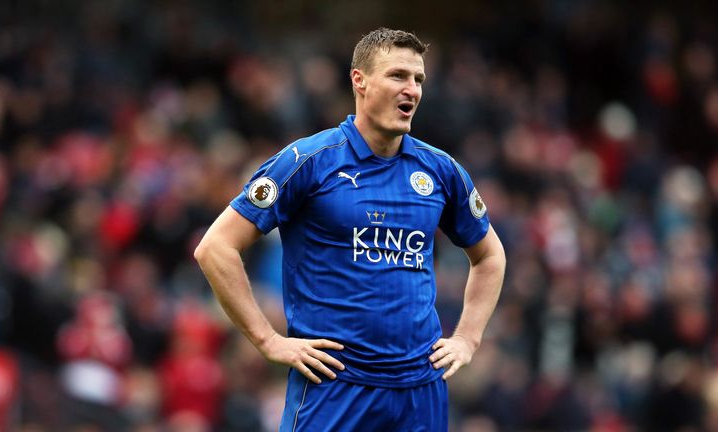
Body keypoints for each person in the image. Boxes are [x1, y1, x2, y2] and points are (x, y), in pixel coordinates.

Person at [194, 27, 506, 431]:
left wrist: (467, 338)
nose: (411, 89)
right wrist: (268, 341)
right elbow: (215, 248)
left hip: (419, 390)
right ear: (359, 80)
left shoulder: (441, 171)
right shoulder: (309, 161)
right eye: (397, 75)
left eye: (418, 79)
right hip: (335, 387)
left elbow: (490, 256)